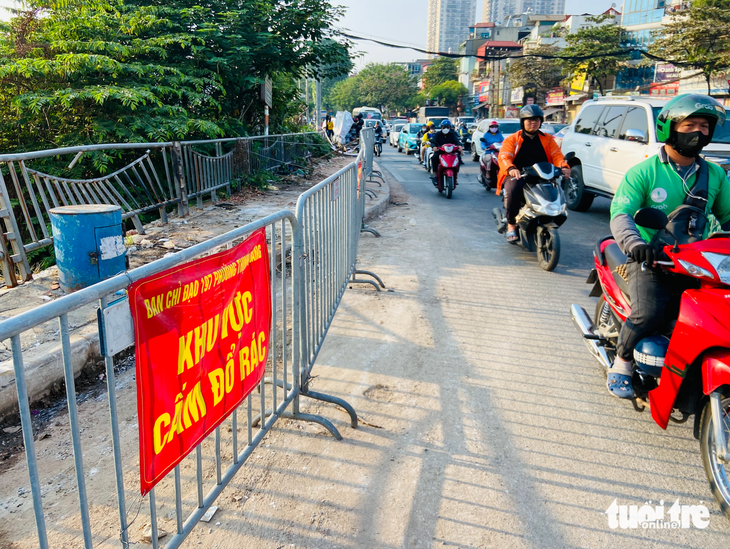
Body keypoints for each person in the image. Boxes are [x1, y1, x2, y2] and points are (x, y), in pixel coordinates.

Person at [607, 94, 730, 398]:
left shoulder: (714, 173)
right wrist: (635, 243)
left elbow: (728, 217)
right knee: (648, 314)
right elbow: (621, 213)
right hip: (652, 259)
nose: (698, 132)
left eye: (705, 126)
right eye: (691, 124)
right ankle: (621, 363)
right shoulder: (645, 172)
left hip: (698, 261)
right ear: (670, 128)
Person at [496, 105, 570, 241]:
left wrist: (564, 167)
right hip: (518, 175)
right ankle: (511, 224)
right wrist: (511, 169)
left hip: (542, 175)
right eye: (529, 120)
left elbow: (557, 156)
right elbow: (504, 156)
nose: (533, 122)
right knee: (513, 190)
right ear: (522, 122)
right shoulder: (512, 139)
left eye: (536, 119)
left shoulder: (548, 139)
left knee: (555, 190)